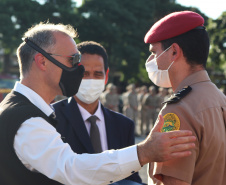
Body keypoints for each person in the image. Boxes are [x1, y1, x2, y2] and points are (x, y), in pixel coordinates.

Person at [0, 22, 196, 185]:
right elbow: (72, 169)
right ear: (42, 62)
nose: (78, 69)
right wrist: (143, 151)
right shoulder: (27, 119)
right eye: (73, 60)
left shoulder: (25, 110)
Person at [144, 11, 226, 185]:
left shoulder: (179, 110)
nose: (151, 60)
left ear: (174, 51)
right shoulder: (220, 99)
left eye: (154, 52)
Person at [52, 41, 142, 183]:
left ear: (106, 76)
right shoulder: (51, 118)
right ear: (73, 74)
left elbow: (130, 177)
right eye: (84, 73)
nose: (91, 80)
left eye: (97, 74)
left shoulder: (123, 125)